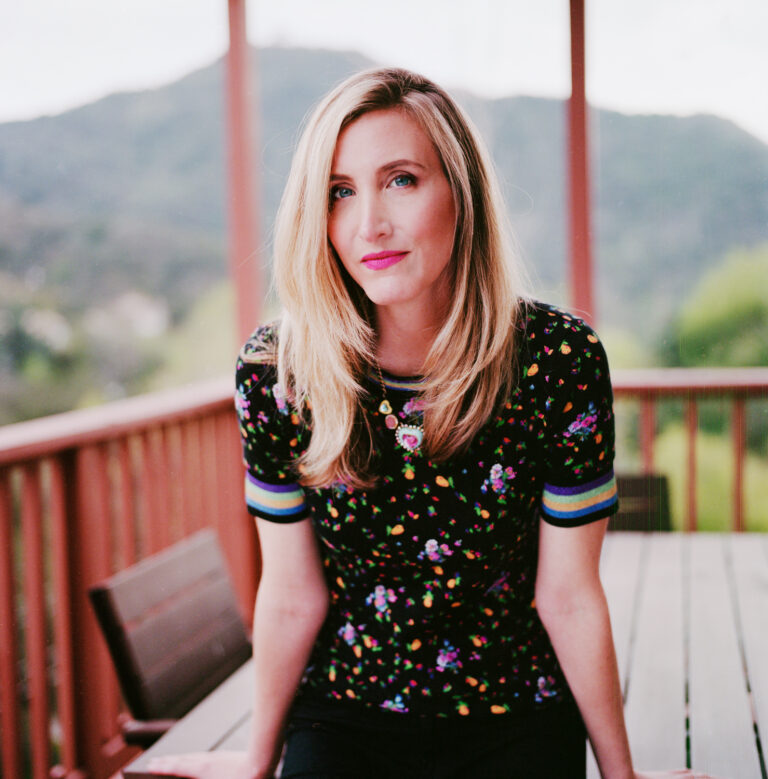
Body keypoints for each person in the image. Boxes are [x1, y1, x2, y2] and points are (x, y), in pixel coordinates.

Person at [149, 68, 716, 779]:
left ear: (461, 191)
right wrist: (258, 765)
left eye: (401, 180)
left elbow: (568, 595)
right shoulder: (278, 373)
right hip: (346, 712)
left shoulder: (557, 359)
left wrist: (620, 775)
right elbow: (292, 594)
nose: (369, 224)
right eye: (340, 192)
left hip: (517, 710)